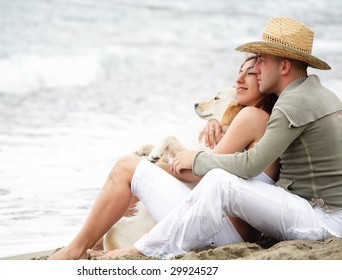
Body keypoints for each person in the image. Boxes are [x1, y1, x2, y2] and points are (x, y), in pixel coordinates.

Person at [87, 16, 342, 259]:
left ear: (284, 66)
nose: (257, 68)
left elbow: (251, 164)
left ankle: (141, 250)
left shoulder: (293, 104)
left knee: (220, 182)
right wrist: (219, 123)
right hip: (322, 212)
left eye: (262, 61)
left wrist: (197, 160)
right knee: (218, 181)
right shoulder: (317, 95)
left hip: (321, 219)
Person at [48, 54, 279, 260]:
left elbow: (202, 172)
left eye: (251, 74)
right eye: (239, 73)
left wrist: (156, 166)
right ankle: (92, 244)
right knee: (136, 177)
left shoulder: (252, 116)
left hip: (218, 228)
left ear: (263, 82)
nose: (239, 80)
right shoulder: (262, 119)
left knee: (126, 167)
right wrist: (215, 122)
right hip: (225, 226)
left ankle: (76, 249)